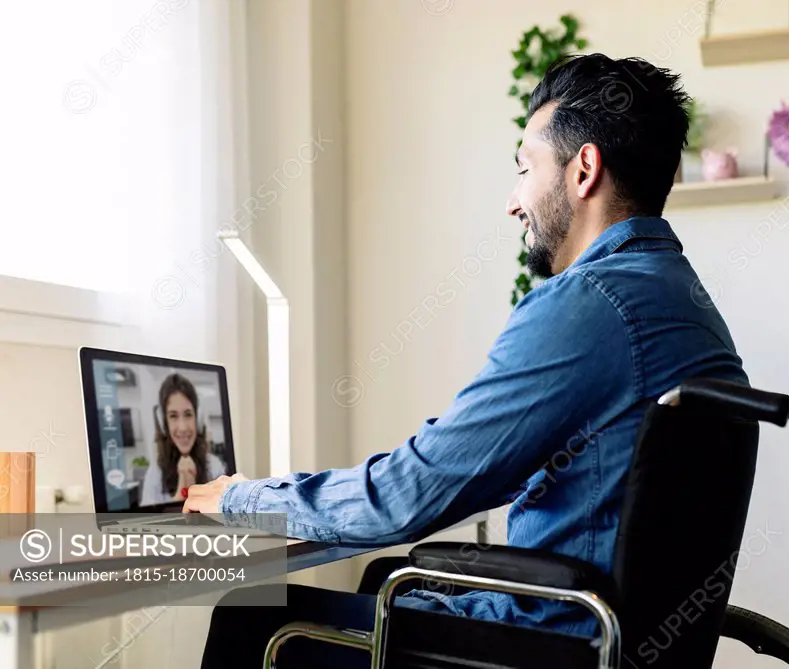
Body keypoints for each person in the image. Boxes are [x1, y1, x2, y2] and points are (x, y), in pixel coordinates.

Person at [189, 53, 748, 668]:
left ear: (583, 168)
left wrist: (243, 498)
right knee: (386, 578)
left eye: (524, 168)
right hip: (610, 643)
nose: (514, 202)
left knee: (253, 613)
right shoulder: (686, 306)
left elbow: (409, 496)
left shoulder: (592, 305)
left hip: (548, 647)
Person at [140, 372, 226, 507]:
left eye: (188, 414)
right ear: (164, 424)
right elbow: (144, 524)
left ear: (198, 419)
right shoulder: (154, 474)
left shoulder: (215, 467)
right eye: (173, 416)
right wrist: (182, 493)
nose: (182, 427)